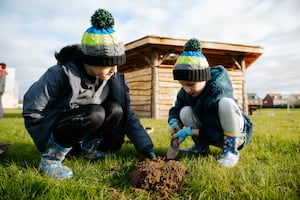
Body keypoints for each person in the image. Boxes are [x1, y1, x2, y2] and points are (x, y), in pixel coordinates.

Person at [22, 8, 156, 179]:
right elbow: (31, 109)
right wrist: (47, 142)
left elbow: (128, 117)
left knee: (116, 109)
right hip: (59, 135)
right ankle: (51, 160)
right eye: (109, 64)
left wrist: (146, 148)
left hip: (82, 134)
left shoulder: (113, 81)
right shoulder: (60, 74)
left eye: (117, 64)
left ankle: (88, 150)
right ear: (91, 60)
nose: (114, 70)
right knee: (96, 113)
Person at [168, 38, 253, 167]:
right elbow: (176, 109)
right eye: (182, 85)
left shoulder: (218, 89)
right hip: (208, 132)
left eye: (190, 84)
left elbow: (216, 132)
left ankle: (230, 151)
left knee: (226, 104)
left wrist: (190, 131)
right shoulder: (186, 91)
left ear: (204, 78)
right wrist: (174, 123)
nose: (186, 89)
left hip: (231, 133)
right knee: (184, 111)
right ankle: (201, 148)